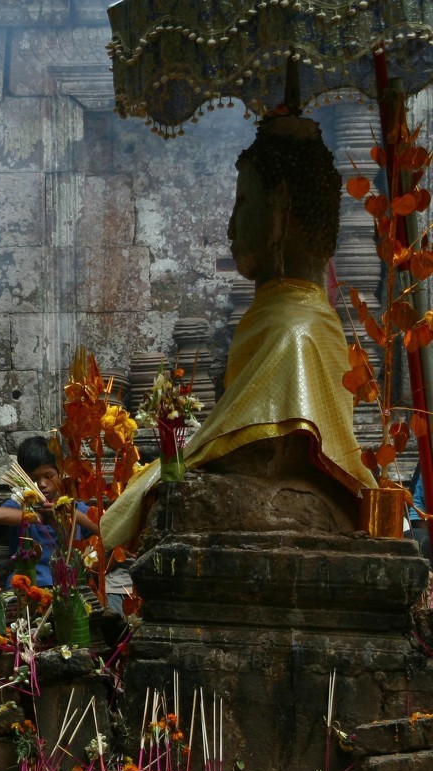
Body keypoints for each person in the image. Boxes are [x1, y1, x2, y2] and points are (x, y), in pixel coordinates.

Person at [102, 115, 376, 549]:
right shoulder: (280, 316)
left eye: (243, 204)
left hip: (290, 502)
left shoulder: (294, 329)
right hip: (280, 495)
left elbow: (264, 453)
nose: (231, 228)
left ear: (281, 207)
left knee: (179, 498)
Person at [0, 436, 99, 586]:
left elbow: (104, 528)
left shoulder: (70, 506)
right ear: (24, 479)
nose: (42, 484)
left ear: (60, 474)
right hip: (25, 584)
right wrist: (38, 516)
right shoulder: (22, 503)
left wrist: (67, 513)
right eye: (34, 479)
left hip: (67, 586)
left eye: (49, 476)